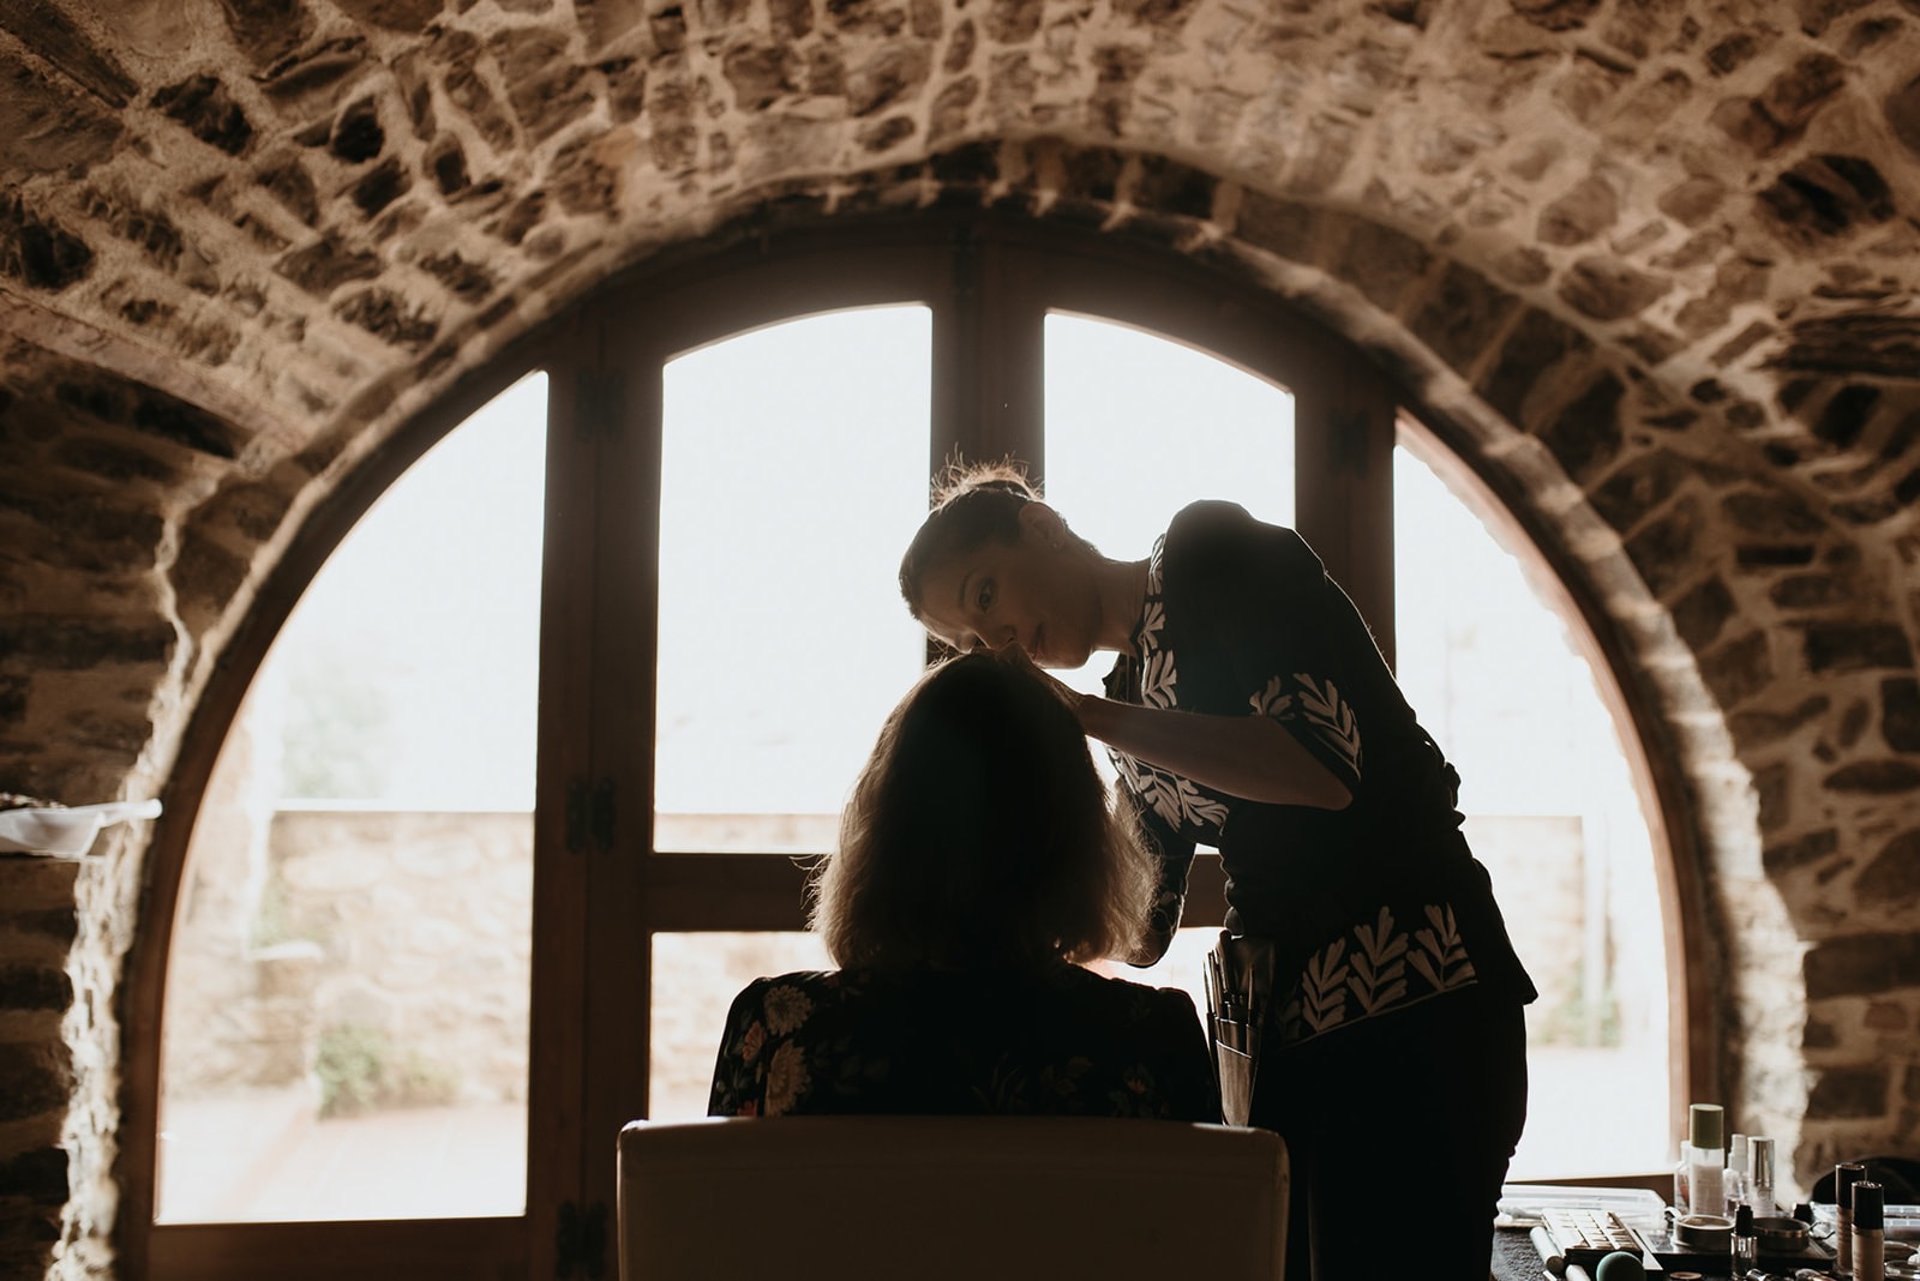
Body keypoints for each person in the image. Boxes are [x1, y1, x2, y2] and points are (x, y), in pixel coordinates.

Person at [898, 461, 1538, 1281]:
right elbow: (1137, 929)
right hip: (1280, 1049)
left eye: (986, 595)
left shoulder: (1208, 552)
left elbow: (1321, 761)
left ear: (1042, 528)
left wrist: (1089, 718)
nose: (1002, 644)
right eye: (973, 642)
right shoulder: (1128, 698)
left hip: (1419, 997)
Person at [706, 652, 1218, 1122]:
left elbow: (712, 1193)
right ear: (1080, 840)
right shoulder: (1153, 1038)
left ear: (886, 833)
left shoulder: (775, 1027)